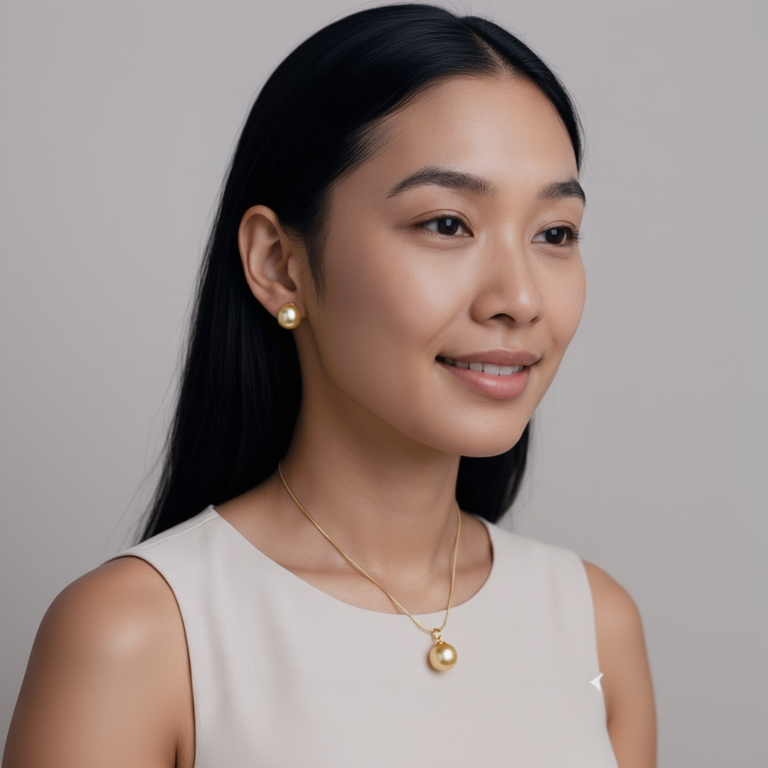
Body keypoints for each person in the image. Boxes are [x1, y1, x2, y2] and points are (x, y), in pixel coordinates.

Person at [3, 5, 655, 767]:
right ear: (278, 262)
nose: (520, 297)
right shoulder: (138, 635)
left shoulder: (595, 623)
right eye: (447, 224)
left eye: (555, 233)